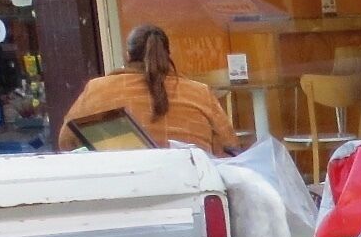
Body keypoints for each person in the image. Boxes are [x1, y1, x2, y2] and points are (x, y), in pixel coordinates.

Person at [56, 25, 237, 155]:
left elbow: (65, 143)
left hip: (122, 189)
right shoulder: (200, 92)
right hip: (191, 186)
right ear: (168, 54)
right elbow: (230, 146)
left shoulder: (96, 90)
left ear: (127, 55)